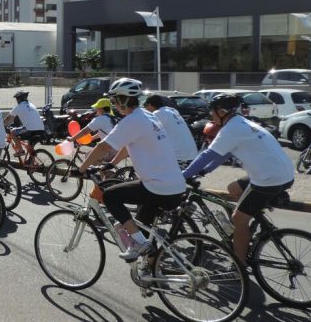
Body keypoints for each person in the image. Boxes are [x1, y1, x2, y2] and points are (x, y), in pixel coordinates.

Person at [77, 78, 186, 261]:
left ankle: (140, 244)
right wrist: (112, 164)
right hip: (174, 185)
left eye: (114, 100)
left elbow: (103, 147)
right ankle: (151, 269)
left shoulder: (132, 120)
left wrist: (82, 168)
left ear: (123, 100)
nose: (113, 104)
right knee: (141, 227)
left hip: (157, 187)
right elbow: (128, 145)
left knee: (111, 196)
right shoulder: (147, 116)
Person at [182, 93, 294, 265]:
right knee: (233, 188)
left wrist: (183, 175)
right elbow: (222, 153)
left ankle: (239, 265)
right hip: (282, 173)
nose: (211, 116)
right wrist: (204, 171)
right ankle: (249, 224)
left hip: (268, 179)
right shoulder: (241, 123)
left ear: (221, 111)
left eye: (212, 112)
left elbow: (207, 154)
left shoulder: (230, 129)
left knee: (238, 218)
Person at [144, 94, 198, 168]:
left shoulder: (157, 114)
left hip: (179, 159)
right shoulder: (173, 110)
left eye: (145, 105)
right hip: (193, 157)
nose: (145, 109)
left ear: (149, 105)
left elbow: (147, 133)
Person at [3, 90, 45, 156]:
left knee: (12, 132)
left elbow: (8, 118)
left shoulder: (19, 106)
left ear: (19, 99)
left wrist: (0, 125)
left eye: (17, 99)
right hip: (41, 130)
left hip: (30, 130)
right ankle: (31, 162)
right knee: (30, 147)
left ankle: (21, 151)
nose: (16, 101)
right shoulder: (32, 105)